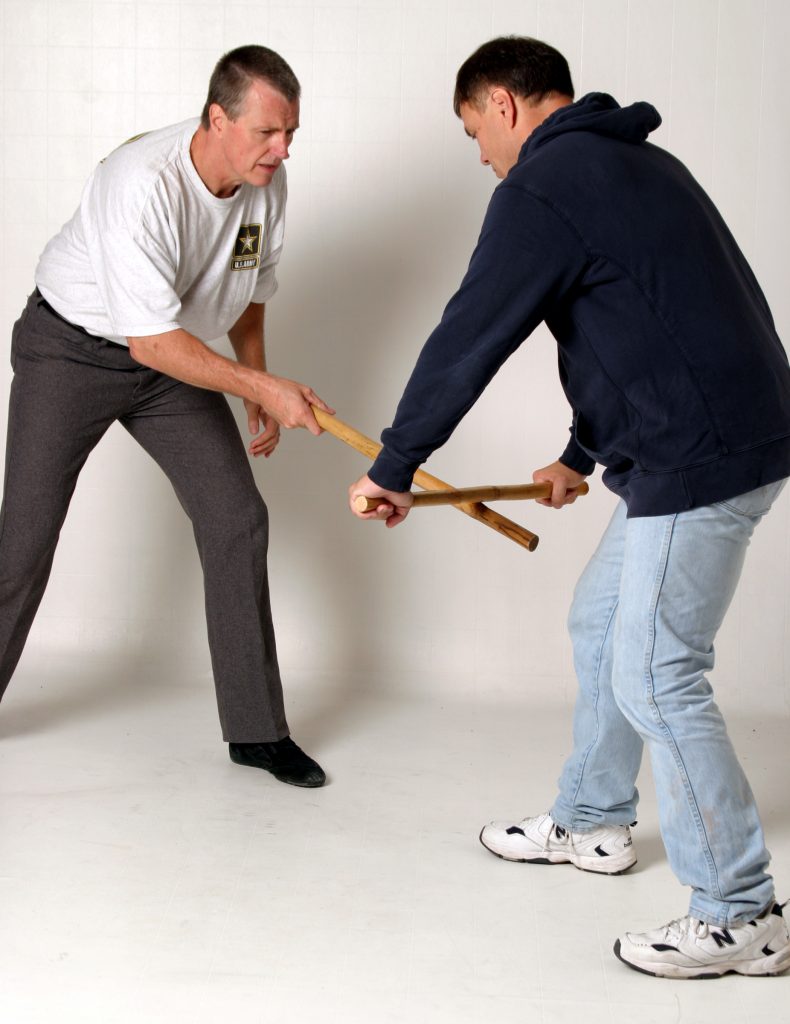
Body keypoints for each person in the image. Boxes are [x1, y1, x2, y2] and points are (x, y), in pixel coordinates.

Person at [348, 36, 790, 977]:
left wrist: (395, 464)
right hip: (715, 434)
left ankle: (741, 908)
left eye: (476, 132)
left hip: (698, 457)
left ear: (504, 105)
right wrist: (579, 453)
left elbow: (472, 330)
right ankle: (594, 820)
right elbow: (646, 321)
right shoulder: (636, 162)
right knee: (601, 624)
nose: (480, 155)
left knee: (657, 673)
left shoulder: (545, 185)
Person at [0, 45, 333, 788]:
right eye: (267, 133)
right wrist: (258, 383)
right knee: (22, 542)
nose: (282, 151)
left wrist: (256, 383)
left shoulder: (264, 182)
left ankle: (256, 731)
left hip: (169, 356)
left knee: (236, 518)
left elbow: (249, 289)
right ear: (217, 118)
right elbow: (149, 340)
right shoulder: (139, 182)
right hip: (73, 349)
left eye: (292, 135)